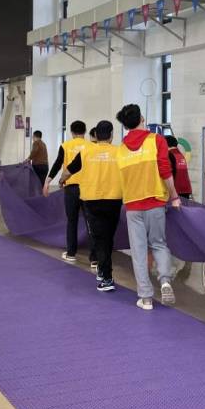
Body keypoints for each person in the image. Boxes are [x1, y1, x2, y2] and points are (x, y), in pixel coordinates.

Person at [115, 103, 182, 311]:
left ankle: (145, 298)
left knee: (139, 251)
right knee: (159, 244)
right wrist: (174, 196)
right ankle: (165, 281)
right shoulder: (156, 140)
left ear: (125, 126)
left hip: (132, 207)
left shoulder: (121, 150)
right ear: (142, 118)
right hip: (155, 203)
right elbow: (165, 171)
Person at [63, 120, 122, 292]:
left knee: (99, 238)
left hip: (92, 200)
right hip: (114, 199)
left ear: (95, 135)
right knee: (108, 237)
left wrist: (61, 180)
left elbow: (69, 170)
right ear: (111, 135)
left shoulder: (86, 152)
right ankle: (104, 271)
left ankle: (106, 276)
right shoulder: (119, 152)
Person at [44, 121, 91, 265]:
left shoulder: (65, 146)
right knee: (91, 223)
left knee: (72, 221)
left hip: (71, 189)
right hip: (88, 188)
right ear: (85, 131)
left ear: (71, 132)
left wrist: (47, 181)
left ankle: (71, 253)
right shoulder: (91, 147)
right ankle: (94, 258)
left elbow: (58, 164)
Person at [165, 136, 193, 200]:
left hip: (176, 190)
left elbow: (168, 173)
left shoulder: (169, 155)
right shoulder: (180, 154)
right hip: (186, 189)